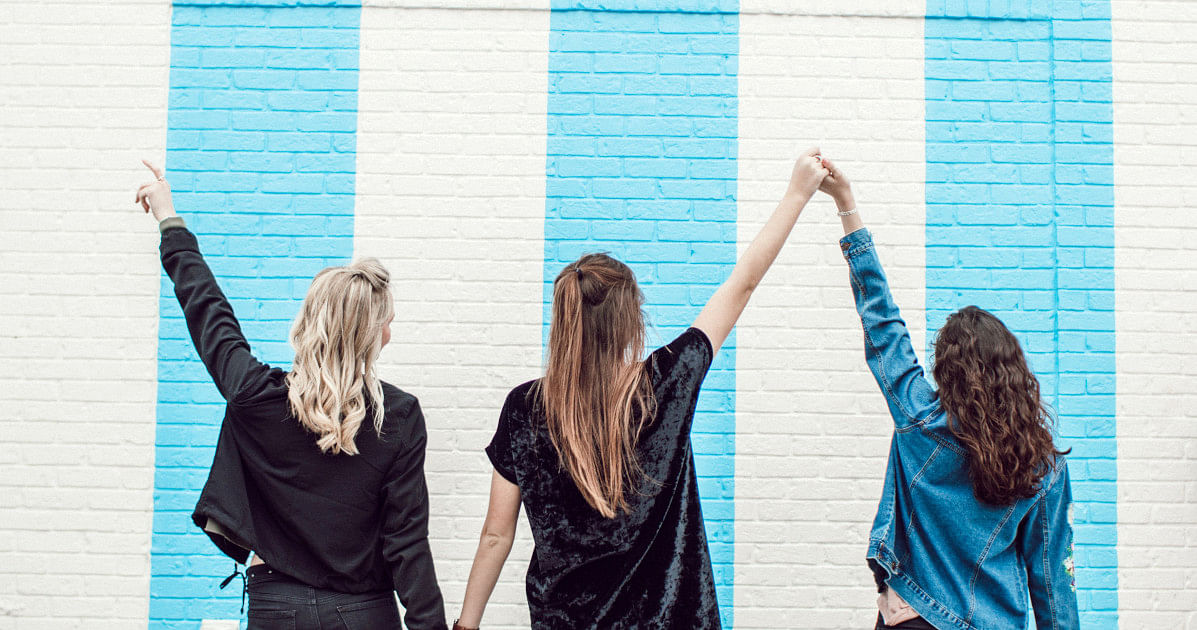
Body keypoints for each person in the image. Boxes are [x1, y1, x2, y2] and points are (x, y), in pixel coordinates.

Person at [451, 149, 830, 629]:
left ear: (565, 322)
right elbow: (743, 283)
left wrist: (466, 624)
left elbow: (494, 536)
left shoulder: (524, 408)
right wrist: (798, 193)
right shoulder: (666, 382)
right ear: (630, 320)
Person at [135, 161, 447, 630]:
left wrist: (168, 217)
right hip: (363, 613)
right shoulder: (398, 417)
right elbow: (406, 543)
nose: (390, 330)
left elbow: (207, 309)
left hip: (277, 607)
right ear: (370, 336)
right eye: (387, 321)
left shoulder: (254, 394)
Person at [815, 159, 1080, 629]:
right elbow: (1053, 585)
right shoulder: (1044, 466)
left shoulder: (919, 419)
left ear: (946, 372)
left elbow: (882, 321)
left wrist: (846, 205)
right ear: (1016, 375)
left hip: (915, 617)